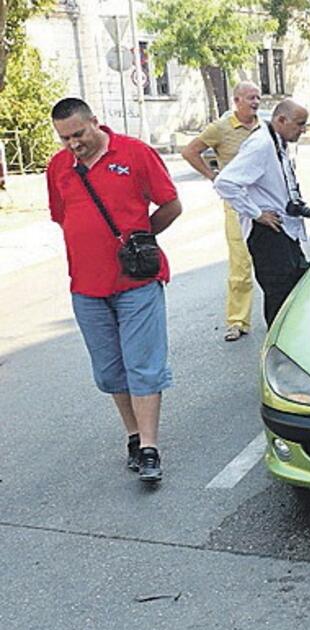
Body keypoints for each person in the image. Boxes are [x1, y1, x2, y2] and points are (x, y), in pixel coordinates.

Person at [46, 97, 182, 482]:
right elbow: (63, 216)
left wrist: (141, 239)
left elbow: (171, 204)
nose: (73, 143)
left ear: (95, 122)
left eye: (78, 133)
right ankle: (134, 437)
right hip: (86, 287)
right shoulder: (58, 167)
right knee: (110, 370)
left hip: (137, 281)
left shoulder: (135, 153)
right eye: (64, 138)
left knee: (143, 364)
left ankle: (151, 448)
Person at [214, 99, 310, 327]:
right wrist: (257, 213)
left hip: (285, 230)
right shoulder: (261, 144)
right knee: (279, 298)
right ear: (281, 120)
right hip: (268, 233)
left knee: (295, 291)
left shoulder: (278, 142)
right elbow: (225, 183)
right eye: (299, 124)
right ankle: (278, 355)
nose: (303, 129)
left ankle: (291, 346)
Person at [181, 81, 261, 342]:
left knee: (276, 262)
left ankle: (281, 317)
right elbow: (190, 151)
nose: (255, 102)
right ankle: (237, 321)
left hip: (266, 202)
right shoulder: (221, 128)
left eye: (258, 97)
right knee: (240, 262)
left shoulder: (265, 127)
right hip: (237, 203)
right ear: (236, 100)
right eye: (250, 98)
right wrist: (213, 176)